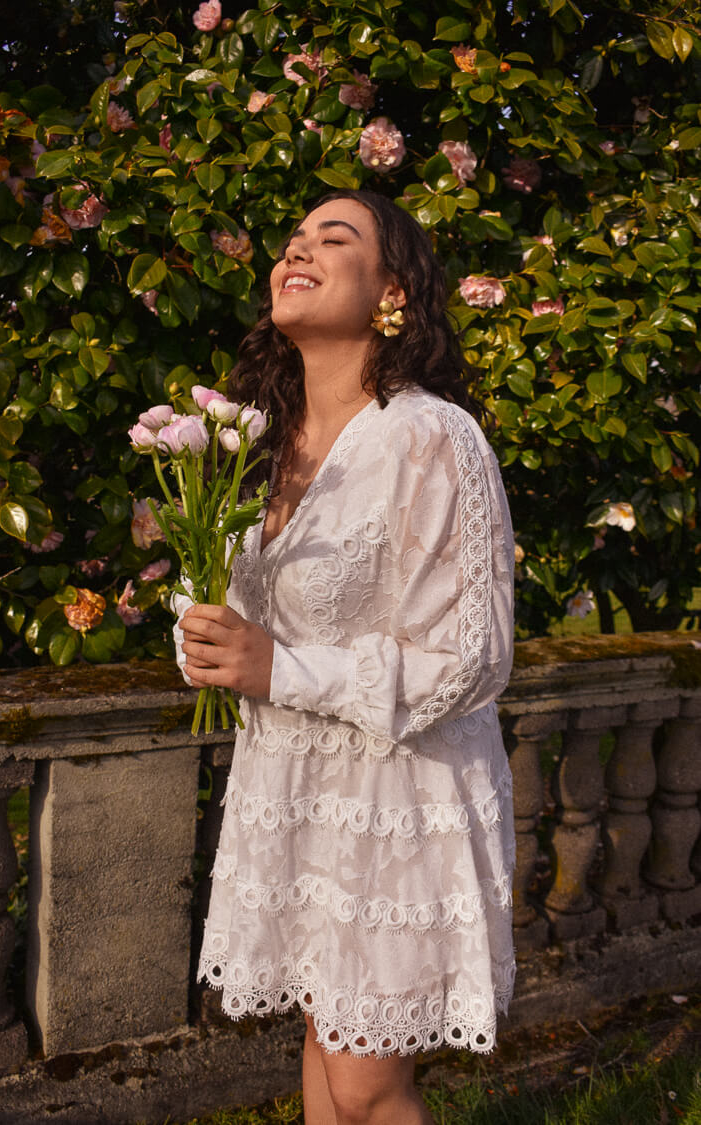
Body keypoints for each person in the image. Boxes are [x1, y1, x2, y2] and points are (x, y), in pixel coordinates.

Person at [174, 189, 516, 1125]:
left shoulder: (433, 438)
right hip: (294, 785)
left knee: (367, 1082)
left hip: (397, 789)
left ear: (392, 290)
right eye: (292, 240)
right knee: (326, 1060)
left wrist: (280, 669)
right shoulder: (248, 442)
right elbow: (235, 614)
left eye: (335, 238)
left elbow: (471, 658)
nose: (299, 250)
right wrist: (203, 639)